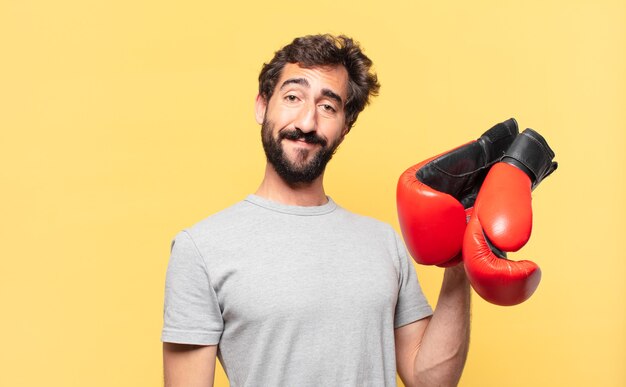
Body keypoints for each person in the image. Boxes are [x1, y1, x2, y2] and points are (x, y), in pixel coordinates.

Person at [161, 34, 471, 387]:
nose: (307, 123)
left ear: (345, 127)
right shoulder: (201, 248)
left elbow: (431, 380)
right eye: (293, 97)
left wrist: (458, 260)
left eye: (328, 106)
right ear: (262, 106)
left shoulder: (384, 242)